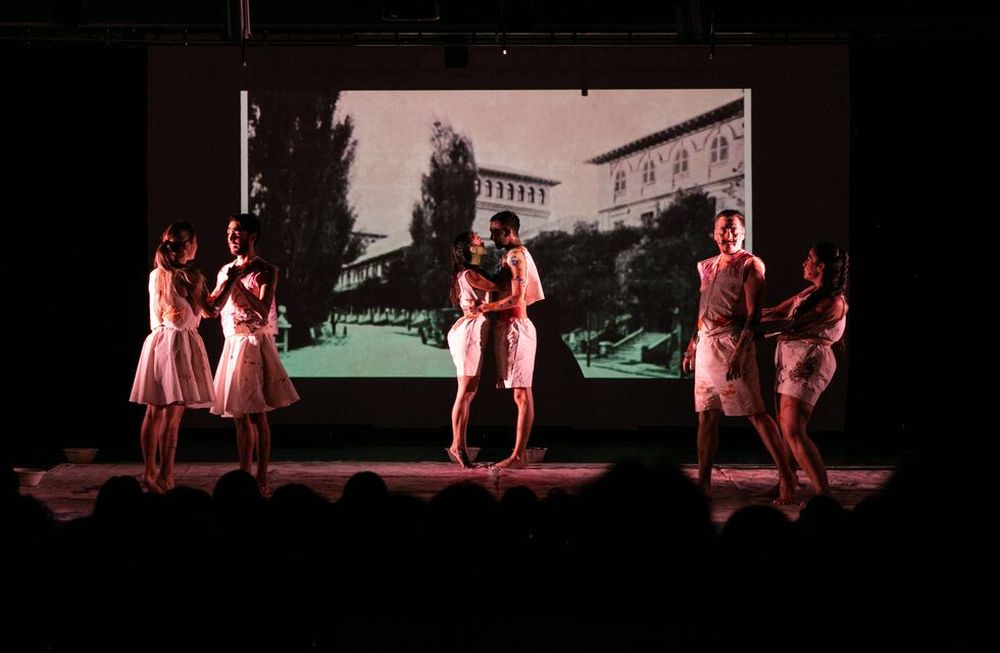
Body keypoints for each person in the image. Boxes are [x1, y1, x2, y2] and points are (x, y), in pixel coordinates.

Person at [681, 210, 797, 503]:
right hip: (707, 346)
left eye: (732, 230)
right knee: (706, 415)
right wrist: (692, 345)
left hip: (733, 343)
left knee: (755, 413)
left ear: (742, 232)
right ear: (714, 232)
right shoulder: (706, 266)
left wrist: (740, 351)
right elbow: (703, 309)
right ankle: (703, 483)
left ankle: (788, 477)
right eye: (722, 230)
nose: (727, 236)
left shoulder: (750, 265)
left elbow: (754, 314)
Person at [130, 221, 237, 493]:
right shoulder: (190, 276)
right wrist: (229, 282)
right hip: (178, 343)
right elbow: (210, 310)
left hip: (157, 341)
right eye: (195, 242)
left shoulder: (157, 274)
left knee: (154, 411)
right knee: (172, 415)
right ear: (188, 245)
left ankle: (149, 472)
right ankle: (166, 475)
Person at [211, 213, 300, 496]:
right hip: (233, 344)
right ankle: (243, 475)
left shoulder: (265, 269)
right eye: (228, 233)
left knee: (258, 413)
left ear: (251, 235)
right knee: (238, 415)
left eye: (236, 232)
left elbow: (263, 311)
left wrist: (237, 284)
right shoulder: (225, 270)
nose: (231, 238)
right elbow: (213, 306)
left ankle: (261, 478)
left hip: (253, 343)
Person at [761, 242, 849, 498]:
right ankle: (789, 481)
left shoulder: (835, 302)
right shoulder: (813, 291)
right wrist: (742, 315)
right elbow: (778, 312)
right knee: (786, 425)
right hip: (791, 359)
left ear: (821, 266)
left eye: (809, 258)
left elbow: (791, 325)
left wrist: (749, 327)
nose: (804, 262)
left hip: (809, 362)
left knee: (792, 427)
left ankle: (823, 494)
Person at [477, 211, 545, 469]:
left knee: (521, 393)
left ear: (509, 231)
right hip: (508, 328)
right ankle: (519, 454)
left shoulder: (516, 256)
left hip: (515, 327)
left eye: (495, 231)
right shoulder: (509, 255)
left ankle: (519, 455)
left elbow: (517, 297)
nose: (492, 235)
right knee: (518, 393)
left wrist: (486, 309)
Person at [445, 231, 497, 468]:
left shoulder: (469, 273)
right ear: (469, 248)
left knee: (468, 393)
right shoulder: (470, 274)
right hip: (469, 333)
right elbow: (501, 287)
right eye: (477, 239)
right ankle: (457, 445)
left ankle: (460, 445)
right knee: (465, 393)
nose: (482, 240)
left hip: (471, 331)